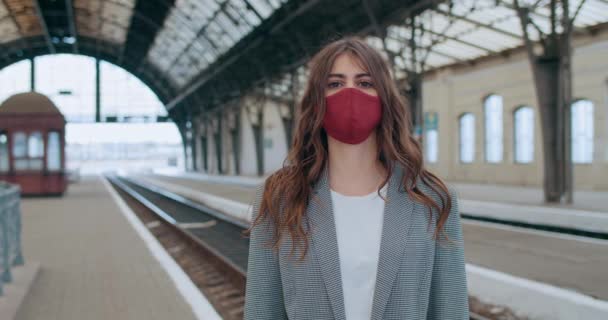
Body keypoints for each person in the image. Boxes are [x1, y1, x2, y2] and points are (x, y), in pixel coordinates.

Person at [243, 35, 469, 320]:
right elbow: (262, 310)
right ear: (315, 101)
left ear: (385, 97)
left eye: (364, 83)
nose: (350, 94)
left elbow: (451, 310)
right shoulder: (279, 196)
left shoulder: (432, 198)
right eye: (335, 84)